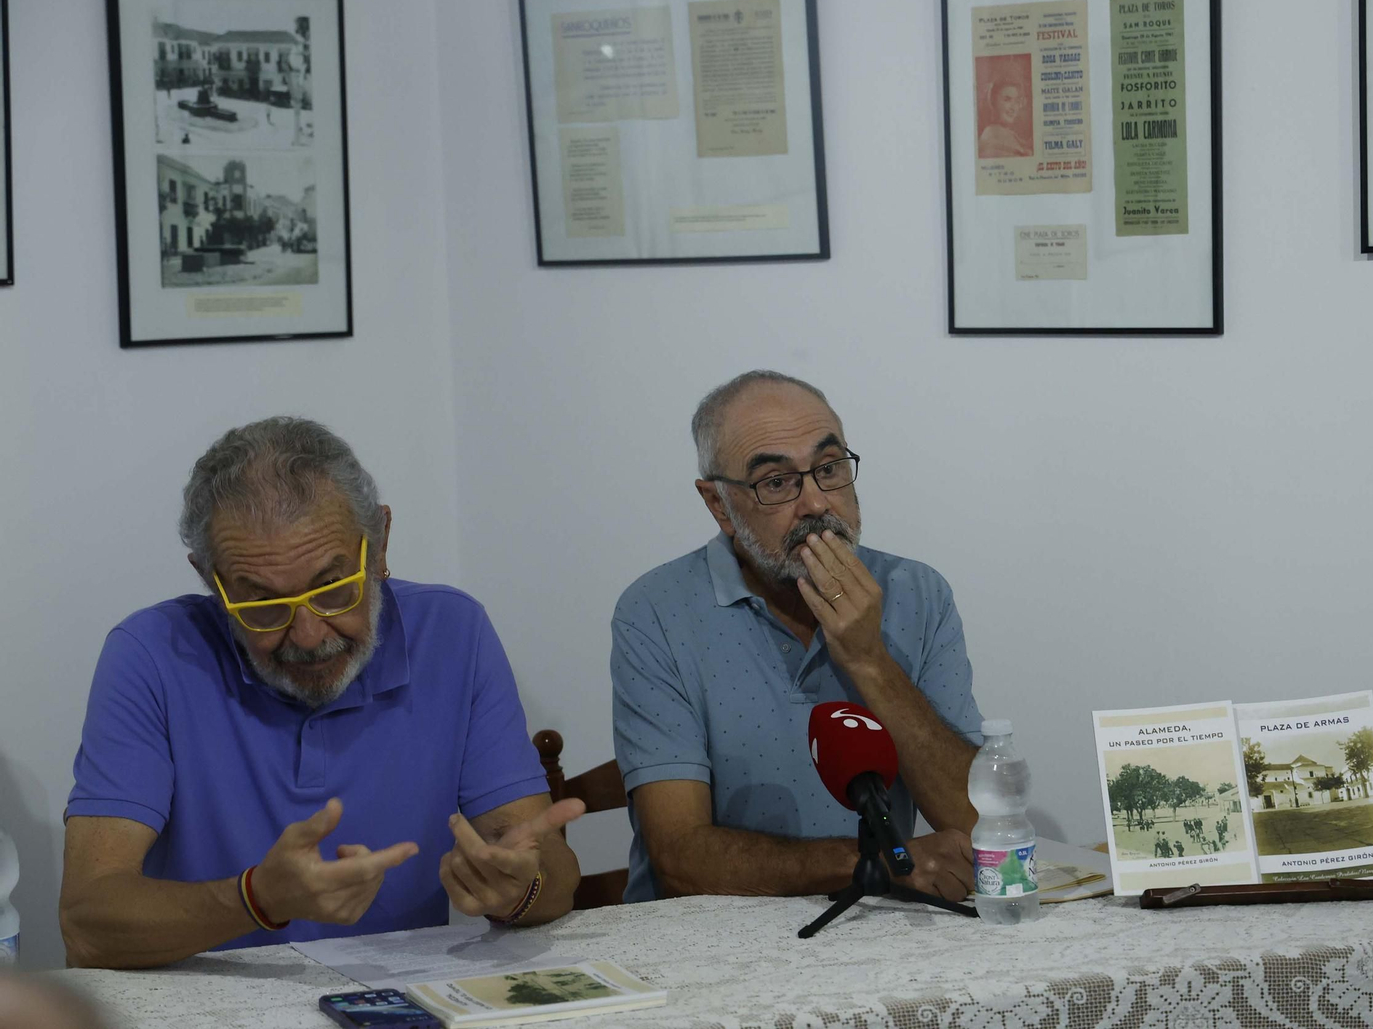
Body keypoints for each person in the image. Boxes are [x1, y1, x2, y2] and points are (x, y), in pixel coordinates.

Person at [60, 418, 583, 969]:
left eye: (333, 589)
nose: (308, 635)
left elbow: (546, 867)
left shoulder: (454, 632)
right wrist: (257, 899)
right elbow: (87, 922)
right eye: (261, 604)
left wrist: (518, 888)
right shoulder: (150, 653)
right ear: (210, 581)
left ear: (378, 545)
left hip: (397, 1000)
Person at [611, 371, 985, 903]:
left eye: (829, 469)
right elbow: (680, 859)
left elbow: (976, 823)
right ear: (719, 505)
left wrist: (869, 660)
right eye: (777, 483)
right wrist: (876, 860)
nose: (816, 505)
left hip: (880, 931)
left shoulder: (916, 591)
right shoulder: (654, 611)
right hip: (710, 939)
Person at [977, 79, 1030, 158]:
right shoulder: (991, 135)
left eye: (1017, 101)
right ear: (993, 102)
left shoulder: (1011, 135)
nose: (1013, 108)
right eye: (1007, 100)